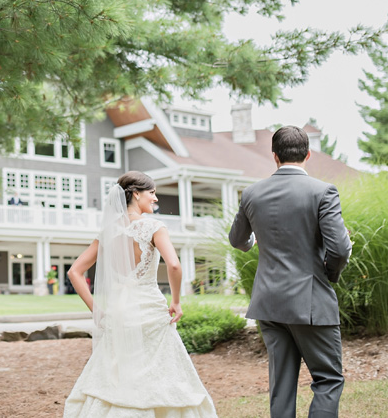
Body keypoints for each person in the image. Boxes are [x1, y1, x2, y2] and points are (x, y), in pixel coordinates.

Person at [64, 171, 217, 417]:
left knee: (118, 373)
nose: (156, 199)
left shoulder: (108, 232)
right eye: (152, 192)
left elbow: (74, 272)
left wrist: (97, 310)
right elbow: (175, 266)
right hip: (149, 309)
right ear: (136, 194)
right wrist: (176, 302)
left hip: (118, 311)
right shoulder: (154, 226)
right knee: (164, 371)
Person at [229, 125, 352, 418]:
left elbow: (237, 240)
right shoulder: (323, 191)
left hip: (269, 303)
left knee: (281, 386)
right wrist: (329, 275)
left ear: (275, 156)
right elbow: (340, 249)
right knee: (328, 378)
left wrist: (253, 241)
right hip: (310, 301)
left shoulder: (251, 193)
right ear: (308, 154)